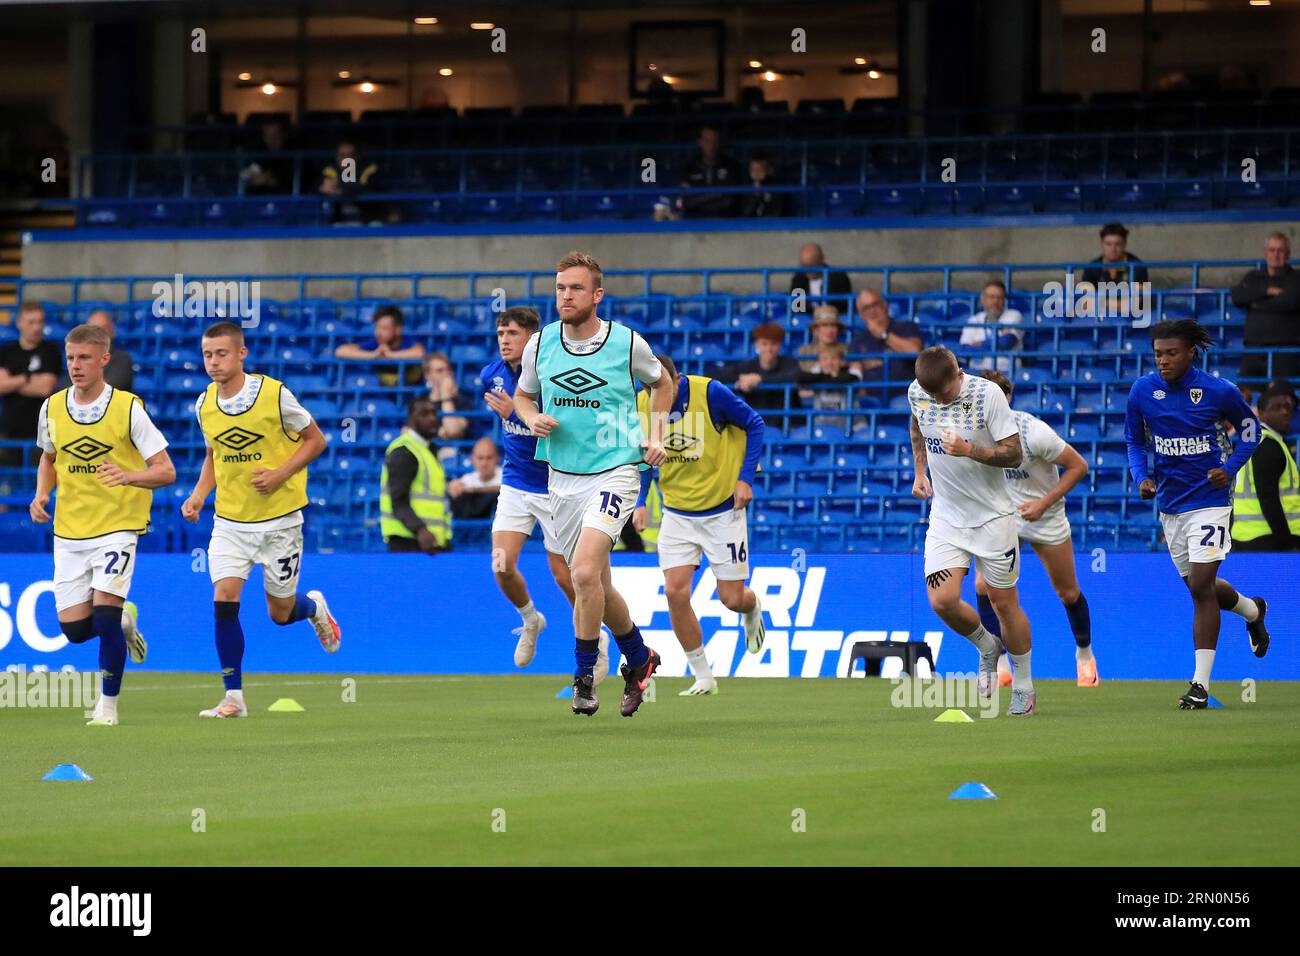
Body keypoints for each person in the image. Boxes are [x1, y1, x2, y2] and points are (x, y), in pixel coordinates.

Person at [512, 251, 672, 718]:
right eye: (560, 287)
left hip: (616, 470)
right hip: (561, 478)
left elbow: (663, 383)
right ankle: (641, 658)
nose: (566, 295)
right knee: (596, 584)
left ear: (597, 295)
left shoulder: (625, 343)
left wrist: (655, 434)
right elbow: (523, 395)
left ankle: (583, 677)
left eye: (576, 288)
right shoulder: (539, 345)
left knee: (582, 574)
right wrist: (531, 415)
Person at [181, 321, 341, 719]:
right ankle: (233, 697)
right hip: (231, 523)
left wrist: (279, 474)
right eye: (207, 355)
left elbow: (316, 440)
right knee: (224, 599)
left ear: (241, 354)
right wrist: (199, 495)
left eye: (221, 353)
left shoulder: (274, 394)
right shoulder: (205, 404)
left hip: (280, 522)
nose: (213, 362)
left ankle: (315, 609)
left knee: (280, 613)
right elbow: (214, 455)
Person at [29, 324, 175, 726]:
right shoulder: (52, 407)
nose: (75, 366)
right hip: (70, 530)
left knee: (105, 616)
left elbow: (165, 471)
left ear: (104, 359)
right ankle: (127, 620)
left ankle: (107, 705)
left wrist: (129, 476)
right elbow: (49, 458)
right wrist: (42, 494)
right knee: (75, 630)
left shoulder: (128, 408)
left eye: (84, 358)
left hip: (117, 526)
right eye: (71, 358)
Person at [1124, 319, 1271, 709]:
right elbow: (1134, 440)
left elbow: (1251, 431)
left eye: (1172, 353)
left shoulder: (1218, 391)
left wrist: (1232, 466)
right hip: (1171, 505)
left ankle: (1199, 686)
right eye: (1158, 353)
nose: (1164, 360)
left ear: (1191, 352)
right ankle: (1253, 610)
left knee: (1202, 585)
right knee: (1197, 586)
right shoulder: (1143, 391)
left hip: (1210, 499)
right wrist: (1141, 476)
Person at [908, 346, 1037, 716]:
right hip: (946, 517)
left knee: (1003, 603)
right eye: (931, 395)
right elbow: (917, 423)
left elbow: (1013, 454)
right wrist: (920, 471)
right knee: (942, 601)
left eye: (944, 394)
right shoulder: (918, 392)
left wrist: (969, 450)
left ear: (959, 374)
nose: (938, 401)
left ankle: (1024, 686)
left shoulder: (987, 394)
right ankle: (985, 645)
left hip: (992, 518)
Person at [478, 306, 607, 678]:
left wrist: (515, 415)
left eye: (513, 334)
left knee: (567, 577)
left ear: (532, 338)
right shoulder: (492, 375)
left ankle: (593, 641)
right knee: (501, 565)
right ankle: (531, 619)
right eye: (501, 334)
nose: (504, 340)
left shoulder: (552, 373)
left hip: (557, 484)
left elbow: (563, 425)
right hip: (517, 482)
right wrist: (512, 416)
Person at [632, 354, 767, 696]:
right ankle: (703, 674)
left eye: (660, 387)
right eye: (649, 388)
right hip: (677, 512)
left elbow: (755, 424)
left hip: (723, 510)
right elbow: (643, 455)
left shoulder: (711, 393)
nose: (655, 394)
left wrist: (745, 480)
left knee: (731, 599)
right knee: (675, 592)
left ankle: (751, 608)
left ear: (676, 380)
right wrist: (640, 501)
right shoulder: (642, 403)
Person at [973, 371, 1098, 687]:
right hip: (1004, 514)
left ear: (1007, 399)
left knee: (1067, 591)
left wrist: (1043, 504)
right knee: (983, 586)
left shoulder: (1034, 433)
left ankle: (1085, 656)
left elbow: (1079, 466)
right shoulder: (975, 431)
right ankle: (999, 662)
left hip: (1046, 515)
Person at [1232, 381, 1300, 551]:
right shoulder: (1269, 445)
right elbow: (1268, 498)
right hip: (1270, 539)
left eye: (1289, 407)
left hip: (1242, 537)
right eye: (1277, 407)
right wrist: (1287, 544)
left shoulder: (1250, 442)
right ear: (1261, 412)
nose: (1285, 412)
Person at [380, 397, 452, 552]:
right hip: (408, 542)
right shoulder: (404, 451)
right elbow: (398, 500)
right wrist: (420, 530)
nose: (432, 419)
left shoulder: (428, 449)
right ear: (411, 419)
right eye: (424, 414)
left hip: (430, 542)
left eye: (434, 413)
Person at [1230, 232, 1300, 381]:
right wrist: (1266, 291)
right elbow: (1237, 297)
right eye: (1272, 250)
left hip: (1285, 352)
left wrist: (1255, 302)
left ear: (1287, 254)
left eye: (1280, 250)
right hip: (1253, 351)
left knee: (1280, 400)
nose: (1276, 255)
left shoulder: (1296, 278)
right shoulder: (1253, 277)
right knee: (1245, 399)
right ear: (1265, 253)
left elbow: (1290, 301)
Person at [0, 302, 62, 466]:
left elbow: (45, 388)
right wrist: (28, 378)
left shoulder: (51, 351)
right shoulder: (6, 352)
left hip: (41, 432)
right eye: (31, 322)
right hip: (9, 430)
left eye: (40, 322)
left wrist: (13, 381)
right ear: (19, 323)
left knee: (40, 483)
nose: (36, 327)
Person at [848, 288, 924, 393]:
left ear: (885, 305)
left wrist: (884, 335)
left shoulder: (906, 327)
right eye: (866, 308)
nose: (872, 311)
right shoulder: (857, 342)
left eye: (875, 304)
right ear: (861, 314)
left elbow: (915, 352)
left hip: (904, 395)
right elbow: (855, 375)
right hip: (871, 399)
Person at [716, 323, 803, 414]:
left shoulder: (789, 363)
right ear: (757, 345)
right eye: (764, 344)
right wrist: (741, 379)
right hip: (756, 423)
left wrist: (759, 379)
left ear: (779, 345)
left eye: (773, 344)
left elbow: (797, 376)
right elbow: (714, 375)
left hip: (790, 424)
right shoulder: (748, 366)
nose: (769, 349)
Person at [335, 304, 425, 386]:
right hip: (379, 395)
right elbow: (340, 351)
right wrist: (373, 355)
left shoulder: (408, 342)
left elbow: (420, 353)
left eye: (384, 328)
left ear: (398, 329)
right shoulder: (375, 344)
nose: (378, 333)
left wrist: (390, 355)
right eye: (377, 327)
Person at [56, 310, 133, 392]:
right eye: (92, 330)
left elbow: (108, 389)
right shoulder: (77, 358)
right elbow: (62, 388)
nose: (97, 335)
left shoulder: (122, 359)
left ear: (112, 332)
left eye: (103, 329)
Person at [676, 125, 743, 219]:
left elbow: (730, 201)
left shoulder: (732, 167)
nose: (711, 145)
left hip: (724, 223)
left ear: (719, 142)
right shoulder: (688, 168)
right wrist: (715, 195)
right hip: (695, 222)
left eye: (715, 141)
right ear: (700, 142)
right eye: (707, 141)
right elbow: (686, 201)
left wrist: (701, 199)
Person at [960, 281, 1025, 373]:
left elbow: (1007, 341)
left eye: (999, 297)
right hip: (979, 373)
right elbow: (964, 349)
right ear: (983, 299)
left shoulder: (1014, 315)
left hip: (1007, 372)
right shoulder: (974, 320)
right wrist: (996, 343)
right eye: (991, 297)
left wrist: (979, 344)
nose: (995, 301)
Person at [797, 342, 860, 430]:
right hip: (820, 426)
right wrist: (827, 376)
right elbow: (800, 378)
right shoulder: (815, 376)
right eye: (824, 359)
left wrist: (828, 377)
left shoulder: (850, 375)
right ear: (819, 362)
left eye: (834, 359)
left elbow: (851, 378)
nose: (829, 363)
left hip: (850, 425)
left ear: (841, 362)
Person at [319, 138, 381, 224]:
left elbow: (366, 186)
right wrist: (321, 188)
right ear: (337, 157)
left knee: (376, 225)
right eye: (343, 155)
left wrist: (340, 189)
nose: (346, 160)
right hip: (339, 222)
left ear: (357, 156)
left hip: (367, 220)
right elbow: (320, 186)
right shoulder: (330, 170)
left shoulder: (369, 168)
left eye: (350, 155)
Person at [789, 243, 853, 316]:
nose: (807, 270)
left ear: (822, 260)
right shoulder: (798, 279)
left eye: (811, 265)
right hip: (807, 319)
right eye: (804, 266)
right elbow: (797, 308)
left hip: (832, 318)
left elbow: (843, 307)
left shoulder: (839, 278)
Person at [423, 351, 471, 447]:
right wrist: (438, 432)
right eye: (440, 371)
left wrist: (446, 397)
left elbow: (453, 431)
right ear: (428, 375)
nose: (446, 374)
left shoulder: (463, 402)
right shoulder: (421, 403)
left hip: (452, 452)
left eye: (448, 370)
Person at [448, 436, 502, 520]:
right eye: (480, 458)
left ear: (497, 458)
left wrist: (473, 490)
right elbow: (453, 489)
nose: (484, 463)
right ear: (473, 458)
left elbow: (503, 489)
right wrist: (452, 486)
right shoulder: (468, 479)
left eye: (489, 458)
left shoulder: (505, 476)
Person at [1081, 222, 1149, 286]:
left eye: (1118, 244)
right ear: (1101, 243)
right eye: (1108, 244)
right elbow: (1086, 297)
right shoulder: (1092, 268)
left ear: (1124, 244)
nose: (1113, 249)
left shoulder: (1138, 267)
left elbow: (1141, 297)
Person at [240, 119, 295, 196]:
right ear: (264, 138)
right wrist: (252, 180)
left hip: (285, 198)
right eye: (268, 136)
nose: (272, 140)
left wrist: (269, 179)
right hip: (258, 199)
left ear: (284, 135)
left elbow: (291, 179)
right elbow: (245, 174)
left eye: (276, 135)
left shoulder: (293, 153)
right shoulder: (258, 152)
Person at [796, 305, 846, 372]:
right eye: (825, 325)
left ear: (838, 329)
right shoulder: (804, 351)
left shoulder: (847, 350)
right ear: (815, 330)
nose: (829, 330)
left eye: (833, 325)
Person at [739, 153, 788, 218]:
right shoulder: (745, 187)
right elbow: (745, 213)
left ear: (767, 170)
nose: (756, 173)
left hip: (770, 225)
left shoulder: (775, 187)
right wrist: (755, 194)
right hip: (750, 225)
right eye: (753, 169)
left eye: (759, 169)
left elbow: (777, 212)